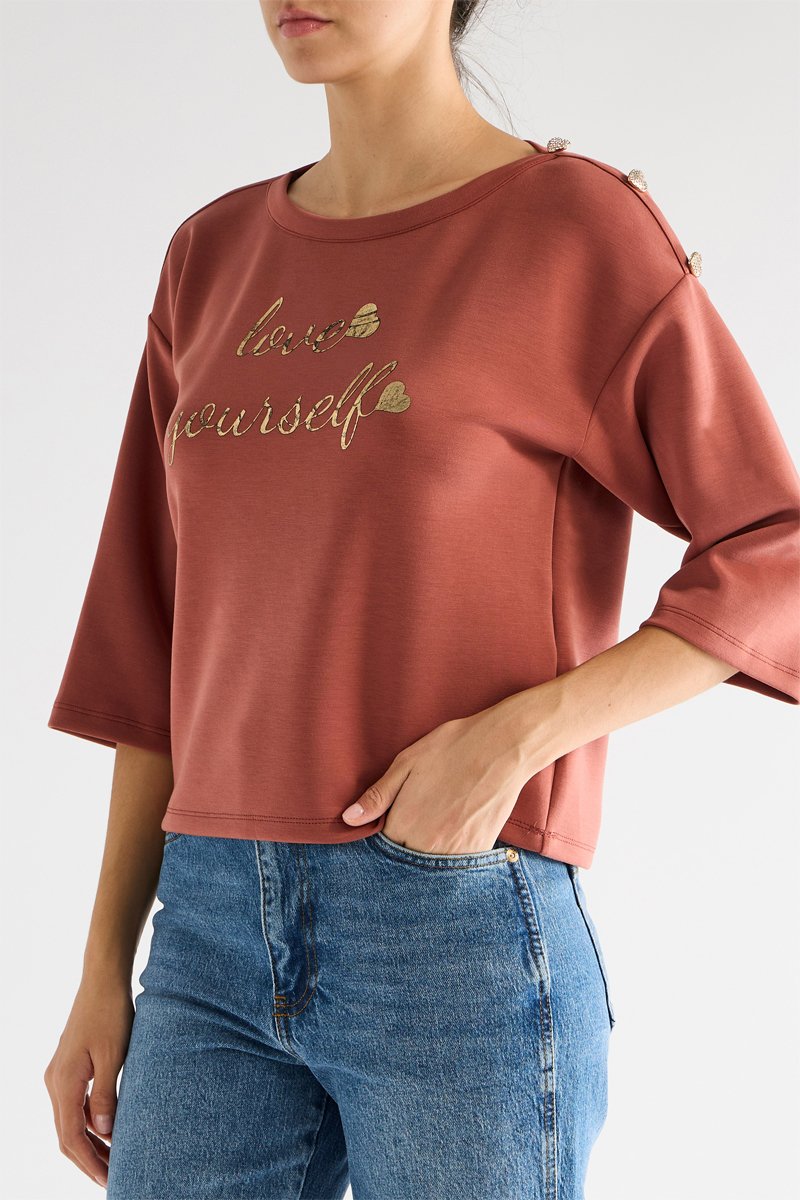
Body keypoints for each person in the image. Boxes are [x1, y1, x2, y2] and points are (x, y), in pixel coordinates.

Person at [43, 1, 800, 1197]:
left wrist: (517, 739)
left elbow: (772, 544)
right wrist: (102, 965)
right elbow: (150, 642)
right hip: (204, 931)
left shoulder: (571, 229)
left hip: (450, 920)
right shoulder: (211, 255)